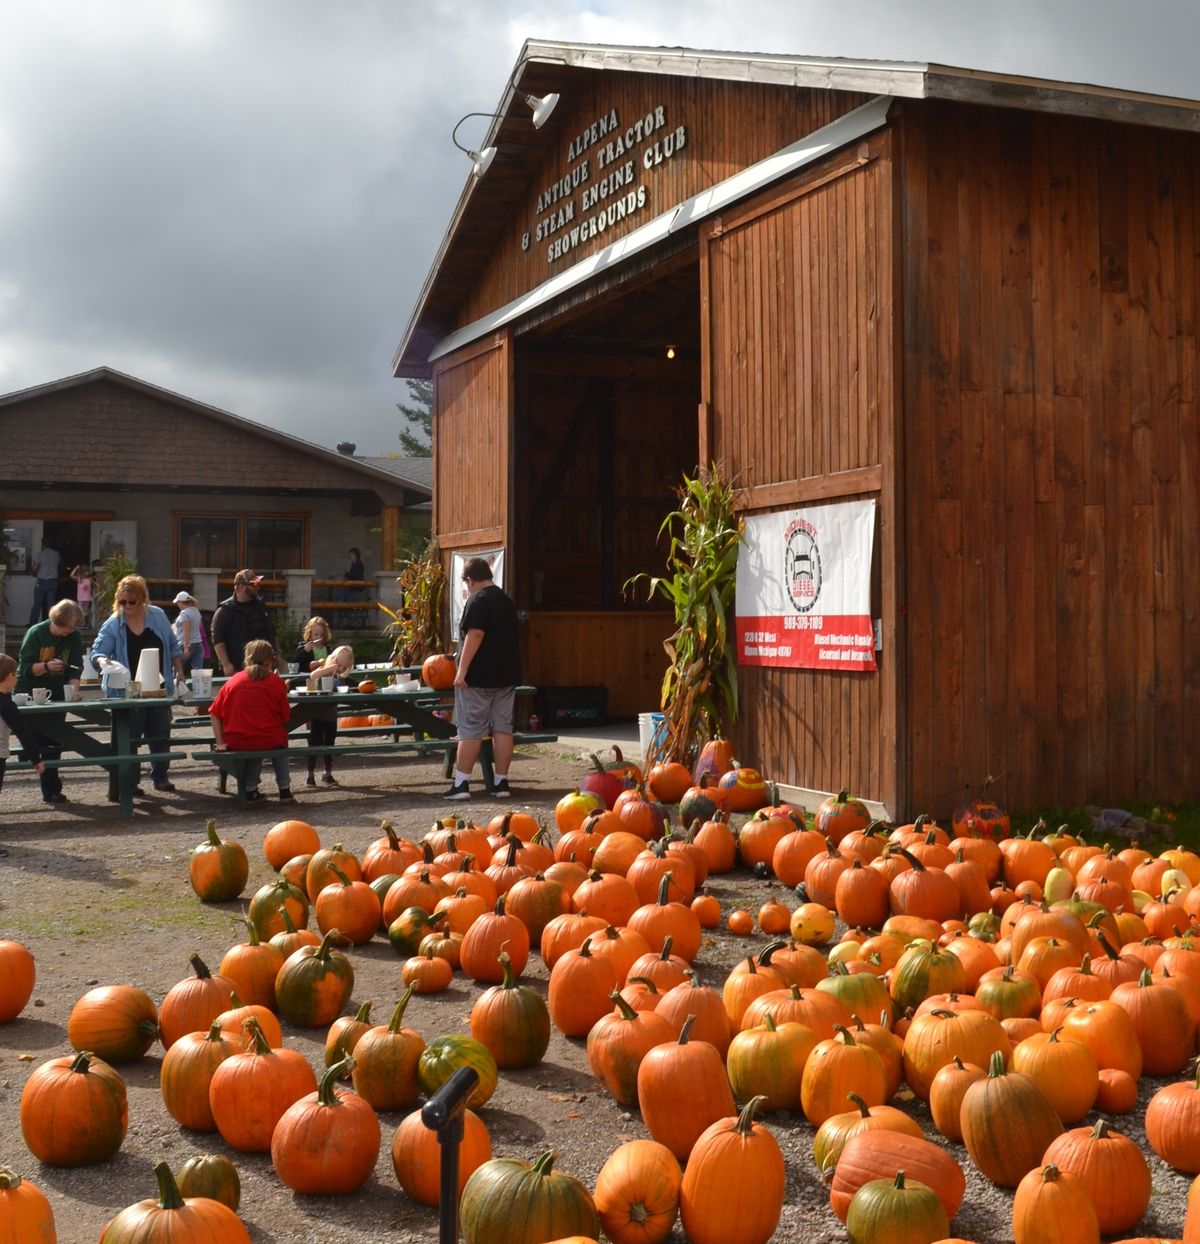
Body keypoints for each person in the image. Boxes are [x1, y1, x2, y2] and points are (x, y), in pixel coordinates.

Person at [90, 575, 186, 797]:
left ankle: (160, 776)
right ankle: (130, 782)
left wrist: (180, 671)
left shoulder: (158, 616)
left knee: (160, 735)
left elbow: (173, 646)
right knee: (130, 738)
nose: (127, 606)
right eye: (122, 602)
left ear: (142, 599)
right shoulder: (113, 624)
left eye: (132, 602)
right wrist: (102, 661)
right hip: (128, 691)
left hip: (158, 688)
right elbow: (98, 651)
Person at [444, 556, 521, 801]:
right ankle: (501, 782)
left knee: (470, 731)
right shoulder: (506, 600)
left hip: (477, 678)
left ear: (469, 579)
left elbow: (475, 634)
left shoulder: (477, 600)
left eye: (466, 583)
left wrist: (461, 670)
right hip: (506, 675)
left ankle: (461, 784)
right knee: (502, 728)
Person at [207, 639, 294, 803]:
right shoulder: (276, 683)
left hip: (238, 740)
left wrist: (220, 742)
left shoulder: (233, 681)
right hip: (269, 738)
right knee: (279, 743)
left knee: (253, 743)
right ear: (270, 661)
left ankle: (250, 788)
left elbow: (215, 713)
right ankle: (284, 789)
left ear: (247, 659)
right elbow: (286, 717)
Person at [16, 599, 84, 805]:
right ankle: (30, 759)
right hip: (30, 693)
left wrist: (74, 691)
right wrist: (46, 666)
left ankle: (52, 790)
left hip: (56, 694)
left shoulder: (74, 637)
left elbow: (75, 667)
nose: (69, 632)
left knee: (54, 742)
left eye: (73, 628)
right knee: (38, 741)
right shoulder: (36, 633)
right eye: (67, 627)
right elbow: (25, 668)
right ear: (57, 620)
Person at [1, 653, 46, 846]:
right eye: (16, 675)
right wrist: (36, 758)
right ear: (10, 677)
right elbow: (23, 732)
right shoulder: (6, 704)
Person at [303, 643, 354, 787]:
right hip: (316, 715)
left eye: (344, 667)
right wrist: (328, 668)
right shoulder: (323, 670)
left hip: (330, 715)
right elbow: (312, 676)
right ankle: (310, 774)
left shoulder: (339, 677)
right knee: (314, 745)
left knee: (329, 745)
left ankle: (327, 773)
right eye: (338, 663)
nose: (339, 668)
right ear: (332, 659)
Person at [212, 569, 276, 674]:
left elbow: (271, 632)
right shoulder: (225, 610)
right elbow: (218, 640)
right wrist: (226, 664)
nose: (257, 587)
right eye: (253, 584)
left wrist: (276, 654)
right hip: (237, 668)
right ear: (240, 586)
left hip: (264, 667)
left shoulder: (260, 606)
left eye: (258, 584)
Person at [28, 541, 62, 624]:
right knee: (51, 603)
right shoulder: (56, 554)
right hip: (53, 581)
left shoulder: (39, 554)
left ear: (43, 545)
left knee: (37, 604)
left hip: (41, 581)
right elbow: (58, 564)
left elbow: (35, 567)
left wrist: (34, 573)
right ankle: (52, 622)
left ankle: (32, 623)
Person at [172, 591, 204, 674]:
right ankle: (199, 687)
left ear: (180, 602)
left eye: (177, 603)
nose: (177, 605)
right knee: (198, 672)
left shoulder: (184, 613)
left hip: (186, 644)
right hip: (198, 644)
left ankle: (175, 686)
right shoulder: (196, 611)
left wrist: (186, 647)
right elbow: (197, 627)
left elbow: (187, 630)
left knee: (177, 670)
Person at [71, 563, 97, 628]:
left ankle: (86, 624)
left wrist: (93, 582)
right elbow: (71, 576)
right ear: (82, 572)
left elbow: (96, 585)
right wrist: (76, 568)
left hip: (87, 598)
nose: (87, 573)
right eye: (85, 572)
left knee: (86, 612)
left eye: (88, 571)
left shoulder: (89, 580)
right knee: (81, 611)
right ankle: (81, 624)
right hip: (80, 598)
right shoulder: (79, 579)